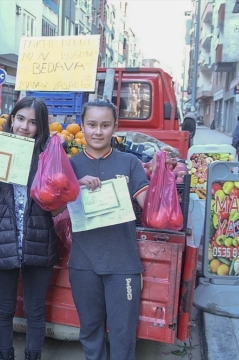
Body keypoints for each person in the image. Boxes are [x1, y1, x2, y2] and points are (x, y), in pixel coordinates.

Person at [0, 97, 58, 360]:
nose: (25, 126)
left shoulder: (49, 155)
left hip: (39, 240)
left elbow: (57, 200)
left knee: (35, 310)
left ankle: (33, 356)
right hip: (3, 238)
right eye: (20, 119)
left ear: (41, 127)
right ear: (11, 119)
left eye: (33, 122)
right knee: (4, 308)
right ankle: (5, 355)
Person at [68, 100, 149, 360]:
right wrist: (72, 187)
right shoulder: (70, 166)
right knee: (90, 330)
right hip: (83, 262)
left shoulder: (130, 163)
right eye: (92, 125)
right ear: (82, 126)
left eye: (105, 125)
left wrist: (161, 185)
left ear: (115, 127)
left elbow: (148, 204)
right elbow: (52, 208)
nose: (98, 132)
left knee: (123, 332)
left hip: (123, 262)